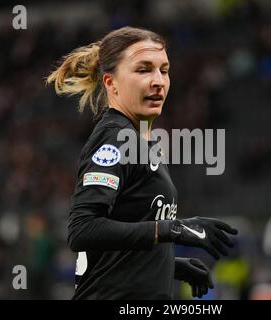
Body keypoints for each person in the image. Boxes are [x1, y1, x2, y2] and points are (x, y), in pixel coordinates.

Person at [46, 26, 238, 300]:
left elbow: (122, 234)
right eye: (143, 70)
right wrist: (175, 229)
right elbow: (83, 229)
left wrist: (169, 265)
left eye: (164, 70)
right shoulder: (114, 138)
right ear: (111, 83)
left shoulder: (140, 141)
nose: (158, 80)